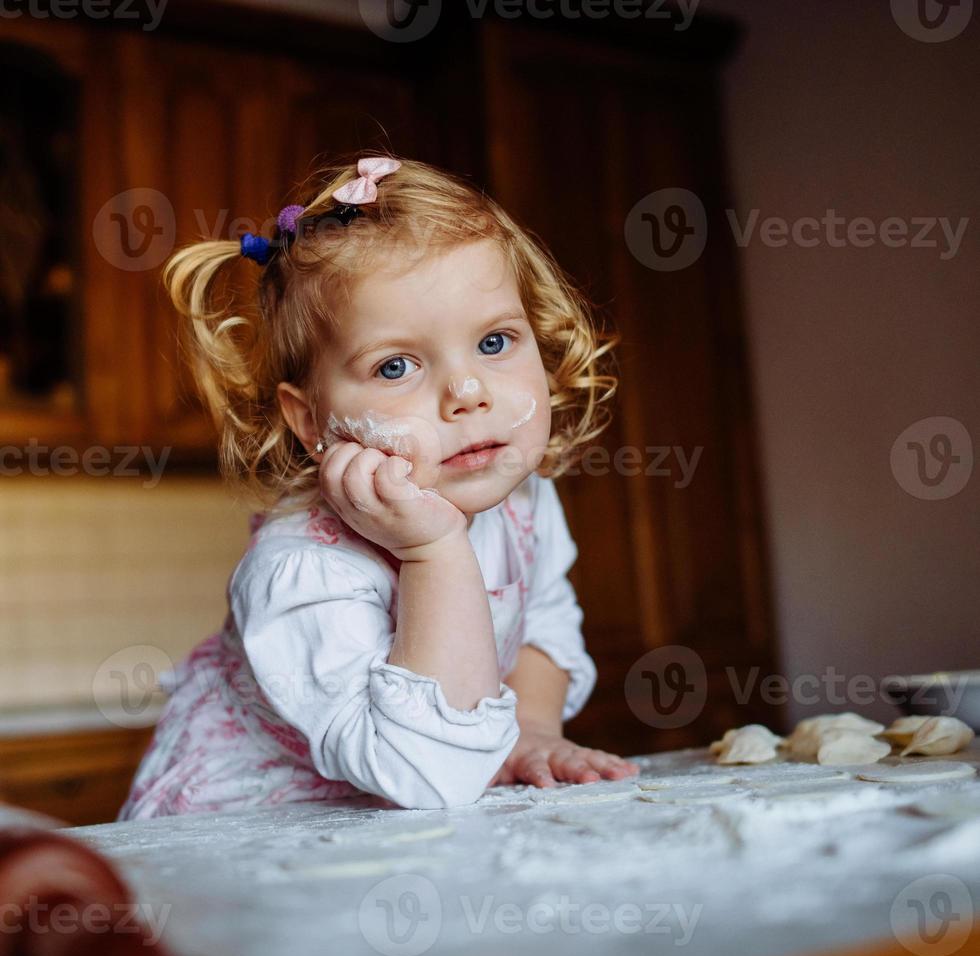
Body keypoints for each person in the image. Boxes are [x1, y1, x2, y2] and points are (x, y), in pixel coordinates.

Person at [118, 155, 639, 819]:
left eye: (495, 341)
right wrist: (435, 551)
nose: (467, 393)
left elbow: (543, 621)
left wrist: (529, 731)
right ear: (311, 420)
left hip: (401, 830)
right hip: (247, 833)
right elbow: (427, 773)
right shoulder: (304, 564)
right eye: (396, 365)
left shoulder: (524, 500)